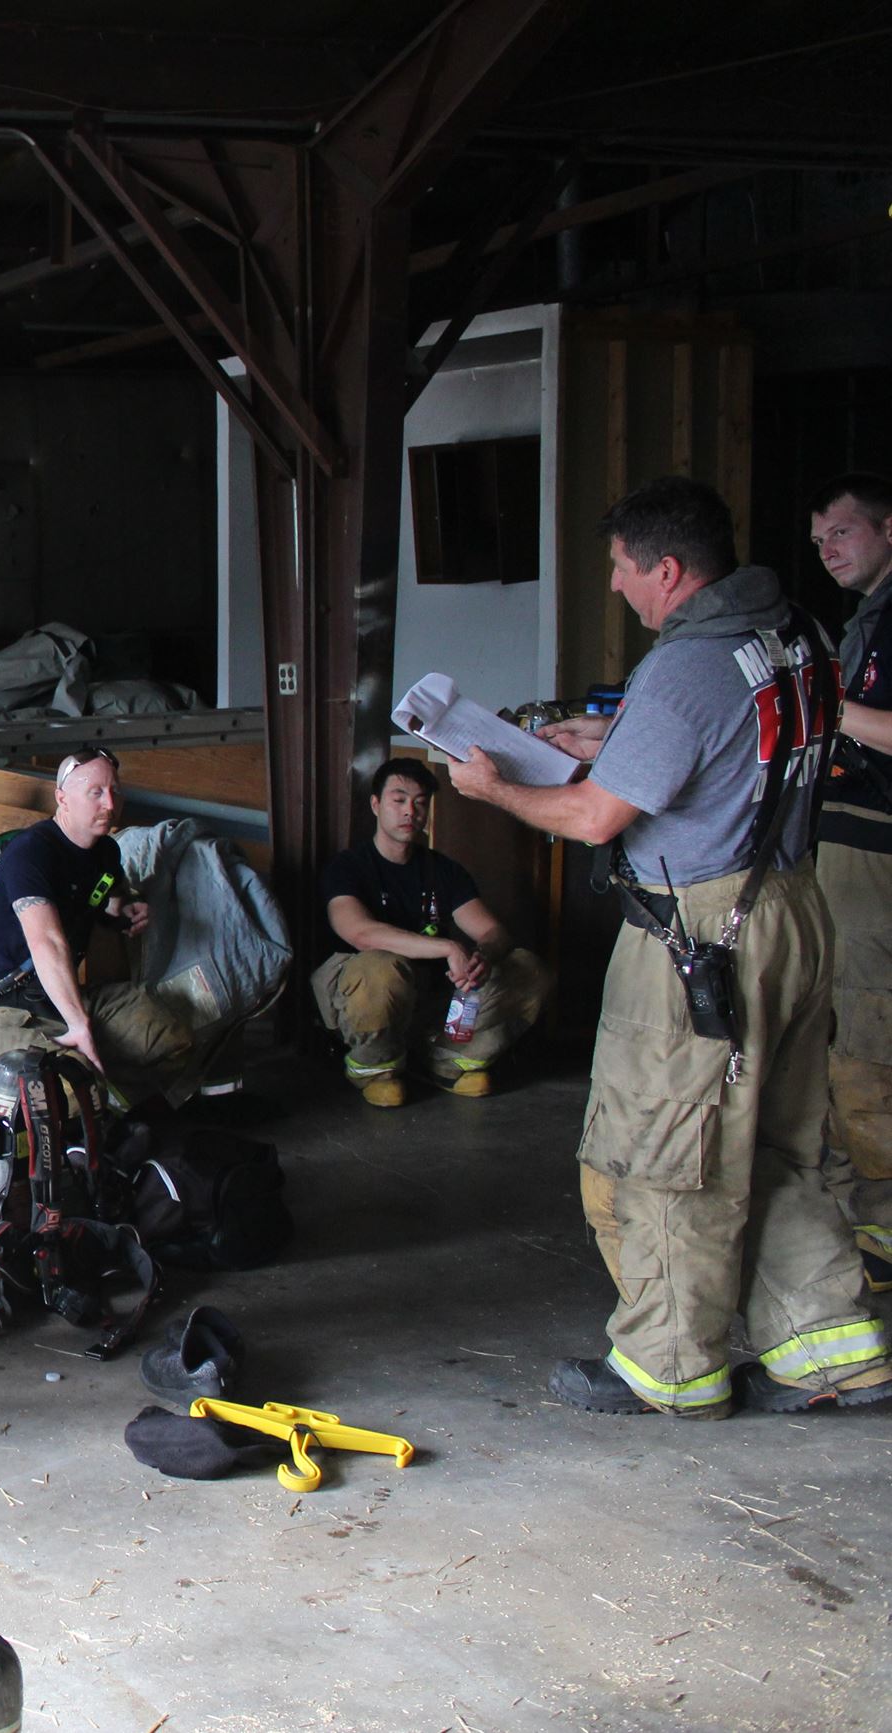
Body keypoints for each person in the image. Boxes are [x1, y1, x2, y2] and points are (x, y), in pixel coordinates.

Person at [453, 475, 891, 1417]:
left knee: (669, 1146)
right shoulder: (797, 631)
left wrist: (495, 792)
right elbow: (740, 742)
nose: (615, 587)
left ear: (667, 569)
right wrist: (619, 731)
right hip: (796, 908)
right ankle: (832, 1352)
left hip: (701, 933)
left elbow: (593, 813)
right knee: (783, 1141)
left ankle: (669, 1367)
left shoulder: (687, 664)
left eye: (620, 569)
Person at [0, 749, 194, 1103]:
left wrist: (123, 909)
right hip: (4, 1002)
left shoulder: (105, 853)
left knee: (169, 1035)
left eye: (114, 791)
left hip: (64, 994)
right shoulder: (31, 851)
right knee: (49, 1082)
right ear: (62, 799)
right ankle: (14, 1109)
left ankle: (112, 1115)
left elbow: (96, 899)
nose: (110, 803)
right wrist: (79, 1024)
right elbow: (47, 942)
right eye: (95, 792)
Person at [313, 757, 551, 1107]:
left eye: (420, 802)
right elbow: (359, 933)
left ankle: (445, 1057)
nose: (411, 810)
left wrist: (481, 956)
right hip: (366, 998)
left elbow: (492, 931)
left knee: (527, 968)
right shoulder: (348, 867)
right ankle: (375, 1068)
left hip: (431, 1000)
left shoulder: (443, 871)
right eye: (399, 800)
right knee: (380, 965)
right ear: (376, 804)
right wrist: (446, 948)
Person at [809, 473, 892, 1286]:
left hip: (878, 850)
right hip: (849, 843)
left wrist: (821, 701)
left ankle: (884, 1230)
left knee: (870, 1040)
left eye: (841, 532)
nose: (828, 550)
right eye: (819, 540)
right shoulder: (868, 618)